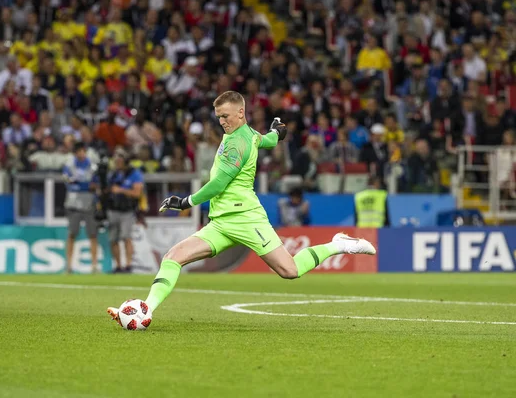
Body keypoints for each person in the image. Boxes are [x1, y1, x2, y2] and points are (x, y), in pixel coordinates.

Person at [107, 91, 376, 320]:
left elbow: (218, 185)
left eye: (226, 116)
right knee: (173, 257)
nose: (222, 122)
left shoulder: (237, 144)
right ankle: (146, 310)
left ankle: (339, 244)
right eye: (218, 117)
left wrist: (186, 202)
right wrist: (276, 134)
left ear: (241, 112)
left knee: (289, 271)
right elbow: (265, 139)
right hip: (221, 222)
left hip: (247, 218)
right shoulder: (248, 134)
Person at [62, 142, 99, 273]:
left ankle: (94, 265)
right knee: (72, 234)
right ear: (75, 153)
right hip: (73, 204)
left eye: (83, 151)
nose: (81, 153)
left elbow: (95, 184)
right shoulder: (69, 165)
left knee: (93, 235)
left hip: (89, 203)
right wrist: (85, 185)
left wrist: (80, 184)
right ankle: (69, 265)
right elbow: (69, 183)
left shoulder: (93, 165)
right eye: (79, 151)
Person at [107, 149, 144, 273]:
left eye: (120, 160)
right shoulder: (112, 174)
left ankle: (128, 265)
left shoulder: (134, 174)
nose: (117, 163)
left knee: (126, 237)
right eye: (116, 160)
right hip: (113, 209)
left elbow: (137, 193)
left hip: (127, 210)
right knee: (113, 239)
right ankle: (118, 266)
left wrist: (121, 190)